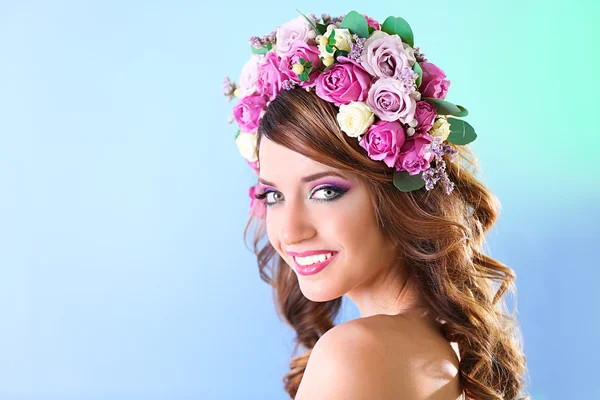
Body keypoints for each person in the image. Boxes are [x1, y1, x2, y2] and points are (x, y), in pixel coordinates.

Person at [224, 10, 530, 400]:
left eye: (326, 192)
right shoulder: (448, 351)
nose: (289, 231)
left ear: (398, 194)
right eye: (274, 196)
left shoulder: (356, 354)